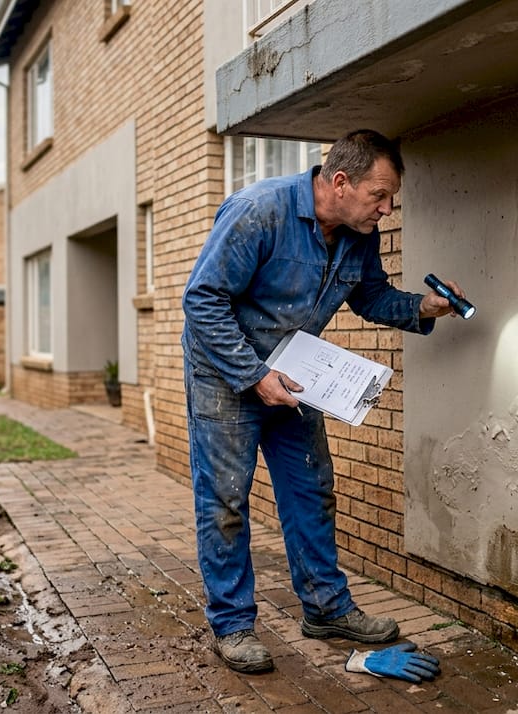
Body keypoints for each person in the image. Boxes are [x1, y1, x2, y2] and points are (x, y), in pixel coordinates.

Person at [181, 129, 467, 673]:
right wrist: (252, 375)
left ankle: (325, 608)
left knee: (311, 490)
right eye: (379, 196)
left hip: (296, 372)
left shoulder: (358, 233)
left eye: (391, 199)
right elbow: (202, 300)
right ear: (340, 181)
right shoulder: (258, 211)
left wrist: (428, 306)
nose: (386, 209)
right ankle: (233, 624)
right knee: (225, 502)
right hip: (226, 373)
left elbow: (372, 296)